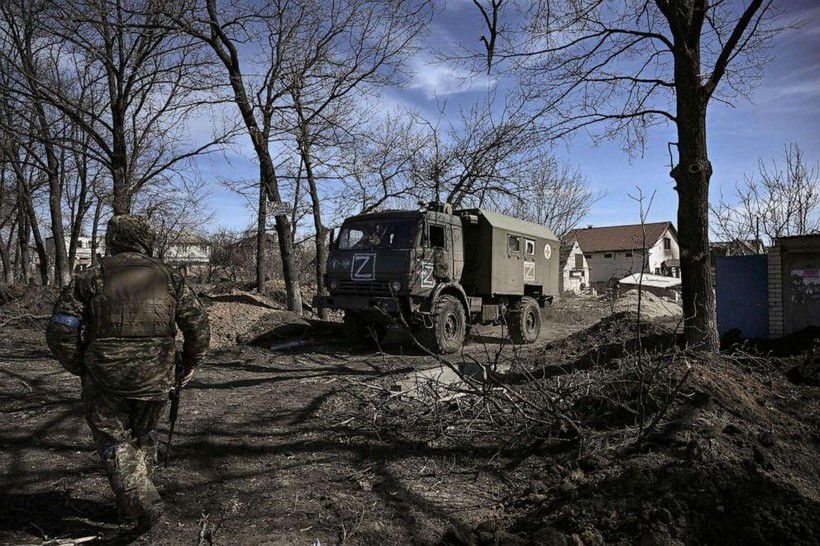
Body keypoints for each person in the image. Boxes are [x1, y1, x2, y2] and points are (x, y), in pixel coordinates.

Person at [45, 215, 210, 534]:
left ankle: (142, 503)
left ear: (113, 239)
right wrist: (190, 363)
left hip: (107, 376)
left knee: (114, 439)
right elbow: (199, 327)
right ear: (147, 240)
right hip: (156, 375)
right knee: (143, 436)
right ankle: (131, 507)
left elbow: (60, 330)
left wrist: (82, 364)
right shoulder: (169, 277)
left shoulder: (91, 277)